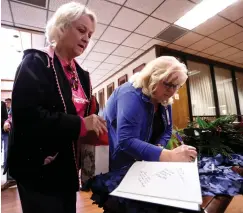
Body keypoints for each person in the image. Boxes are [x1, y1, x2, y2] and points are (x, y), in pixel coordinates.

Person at [5, 2, 107, 213]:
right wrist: (80, 124)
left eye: (90, 34)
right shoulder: (36, 62)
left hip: (68, 170)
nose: (87, 38)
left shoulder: (82, 75)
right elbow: (28, 117)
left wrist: (95, 123)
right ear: (62, 27)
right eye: (81, 30)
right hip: (38, 171)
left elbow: (85, 116)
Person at [90, 56, 198, 213]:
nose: (172, 91)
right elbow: (126, 141)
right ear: (152, 78)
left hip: (140, 165)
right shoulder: (130, 94)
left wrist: (159, 147)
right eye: (168, 84)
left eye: (177, 86)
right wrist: (167, 155)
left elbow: (167, 129)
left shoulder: (164, 99)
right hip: (114, 163)